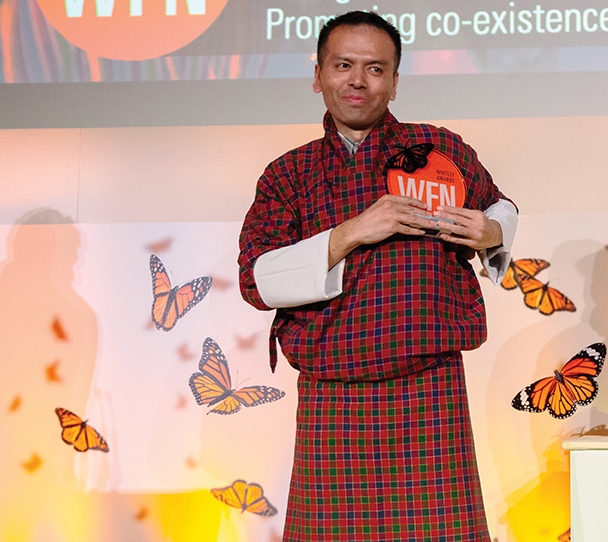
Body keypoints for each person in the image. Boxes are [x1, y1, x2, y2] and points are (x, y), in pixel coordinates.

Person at [237, 11, 516, 540]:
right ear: (318, 75)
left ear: (394, 81)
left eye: (375, 68)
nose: (358, 81)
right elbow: (257, 278)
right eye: (343, 66)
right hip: (331, 394)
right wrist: (355, 231)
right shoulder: (287, 173)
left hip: (428, 387)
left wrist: (489, 233)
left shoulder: (439, 150)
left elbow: (501, 209)